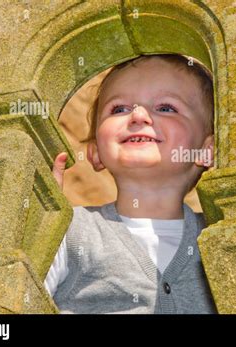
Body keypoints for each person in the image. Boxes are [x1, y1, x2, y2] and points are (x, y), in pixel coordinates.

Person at [44, 54, 217, 314]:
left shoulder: (218, 235)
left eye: (166, 107)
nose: (138, 115)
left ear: (207, 150)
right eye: (119, 109)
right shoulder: (70, 231)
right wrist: (40, 223)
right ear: (96, 152)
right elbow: (13, 296)